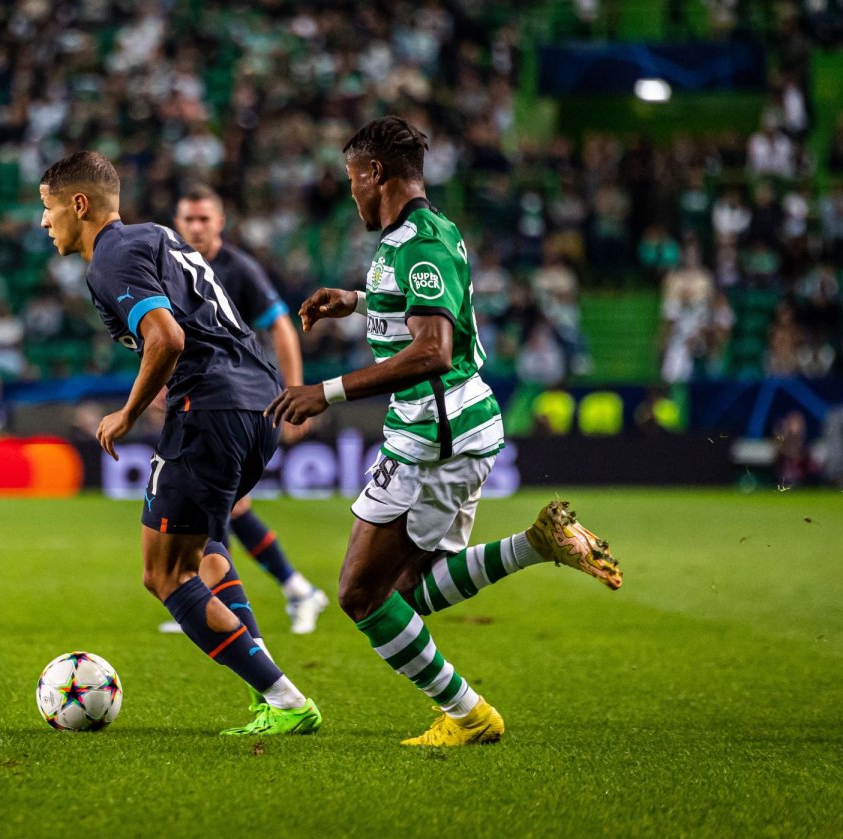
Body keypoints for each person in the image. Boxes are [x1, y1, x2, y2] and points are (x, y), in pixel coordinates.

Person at [265, 117, 621, 747]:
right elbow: (422, 309)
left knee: (360, 595)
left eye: (353, 179)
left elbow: (432, 349)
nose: (350, 194)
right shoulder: (422, 235)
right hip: (440, 432)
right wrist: (354, 301)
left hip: (436, 439)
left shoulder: (419, 245)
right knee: (404, 594)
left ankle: (470, 715)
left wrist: (328, 392)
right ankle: (538, 545)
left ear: (375, 174)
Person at [38, 151, 320, 736]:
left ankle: (285, 698)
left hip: (210, 410)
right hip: (257, 404)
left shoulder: (110, 258)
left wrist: (126, 413)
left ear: (79, 205)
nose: (45, 223)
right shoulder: (157, 237)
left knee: (164, 575)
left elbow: (164, 337)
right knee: (209, 549)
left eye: (49, 208)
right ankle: (271, 694)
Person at [166, 184, 329, 634]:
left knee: (219, 505)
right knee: (224, 508)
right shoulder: (174, 266)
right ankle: (292, 590)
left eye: (204, 218)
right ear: (177, 223)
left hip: (237, 401)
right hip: (200, 401)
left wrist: (295, 392)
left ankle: (230, 605)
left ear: (220, 222)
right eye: (188, 219)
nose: (196, 226)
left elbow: (281, 325)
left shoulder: (238, 269)